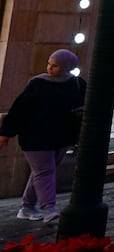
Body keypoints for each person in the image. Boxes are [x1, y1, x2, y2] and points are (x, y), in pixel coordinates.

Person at [0, 49, 86, 222]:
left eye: (55, 66)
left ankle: (27, 206)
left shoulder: (76, 84)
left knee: (41, 172)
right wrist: (6, 133)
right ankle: (48, 208)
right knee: (44, 171)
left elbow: (84, 104)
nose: (49, 68)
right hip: (36, 137)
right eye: (49, 64)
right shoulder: (38, 83)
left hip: (60, 137)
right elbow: (20, 109)